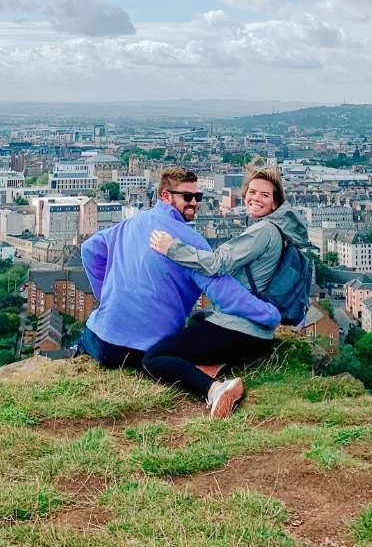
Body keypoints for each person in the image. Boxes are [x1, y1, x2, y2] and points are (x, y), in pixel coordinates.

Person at [78, 167, 281, 417]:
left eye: (198, 197)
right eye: (187, 197)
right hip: (149, 347)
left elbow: (89, 250)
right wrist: (268, 315)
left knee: (83, 339)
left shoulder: (129, 224)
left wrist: (104, 295)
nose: (194, 203)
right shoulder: (190, 241)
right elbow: (223, 291)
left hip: (103, 341)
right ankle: (211, 384)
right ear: (165, 195)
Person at [143, 163, 307, 413]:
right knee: (197, 322)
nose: (255, 198)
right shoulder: (277, 231)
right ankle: (212, 365)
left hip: (239, 331)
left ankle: (215, 389)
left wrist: (172, 248)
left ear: (275, 204)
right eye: (252, 192)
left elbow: (216, 263)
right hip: (256, 334)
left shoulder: (263, 231)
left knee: (153, 358)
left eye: (264, 195)